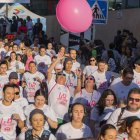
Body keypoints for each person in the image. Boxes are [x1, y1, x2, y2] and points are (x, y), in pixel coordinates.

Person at [47, 54, 71, 124]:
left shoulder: (67, 88)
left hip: (64, 119)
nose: (62, 76)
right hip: (52, 118)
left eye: (63, 75)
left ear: (66, 79)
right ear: (56, 77)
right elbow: (49, 71)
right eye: (59, 75)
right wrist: (58, 60)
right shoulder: (52, 85)